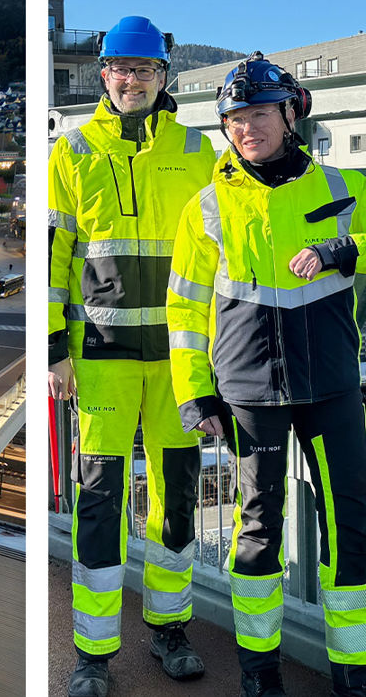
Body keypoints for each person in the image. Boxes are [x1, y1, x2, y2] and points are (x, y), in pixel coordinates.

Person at [168, 54, 366, 697]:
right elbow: (185, 309)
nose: (246, 127)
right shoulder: (205, 207)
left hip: (332, 384)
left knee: (351, 524)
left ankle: (354, 672)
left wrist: (344, 248)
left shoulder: (342, 186)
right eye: (234, 118)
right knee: (256, 527)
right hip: (249, 392)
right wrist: (195, 392)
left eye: (258, 114)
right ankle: (259, 674)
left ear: (290, 114)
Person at [48, 15, 216, 697]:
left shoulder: (199, 151)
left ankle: (170, 629)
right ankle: (93, 654)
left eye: (145, 69)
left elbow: (223, 251)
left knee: (177, 498)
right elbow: (55, 256)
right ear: (104, 74)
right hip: (102, 358)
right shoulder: (73, 150)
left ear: (163, 75)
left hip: (179, 359)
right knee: (99, 501)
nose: (133, 80)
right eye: (122, 68)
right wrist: (55, 349)